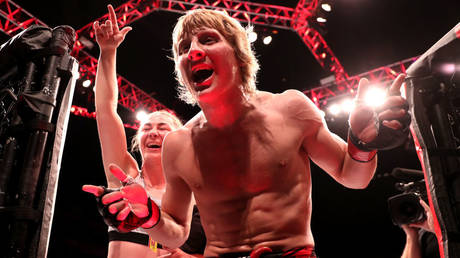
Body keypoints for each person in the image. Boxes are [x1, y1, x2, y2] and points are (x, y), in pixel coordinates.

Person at [87, 7, 410, 257]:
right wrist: (149, 217)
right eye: (184, 48)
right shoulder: (180, 143)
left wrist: (362, 143)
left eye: (208, 40)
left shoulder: (290, 108)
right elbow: (176, 234)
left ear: (239, 57)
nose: (193, 52)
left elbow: (353, 176)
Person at [82, 5, 205, 258]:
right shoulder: (124, 174)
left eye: (163, 128)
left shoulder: (189, 192)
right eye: (146, 128)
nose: (153, 133)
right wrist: (107, 52)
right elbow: (105, 110)